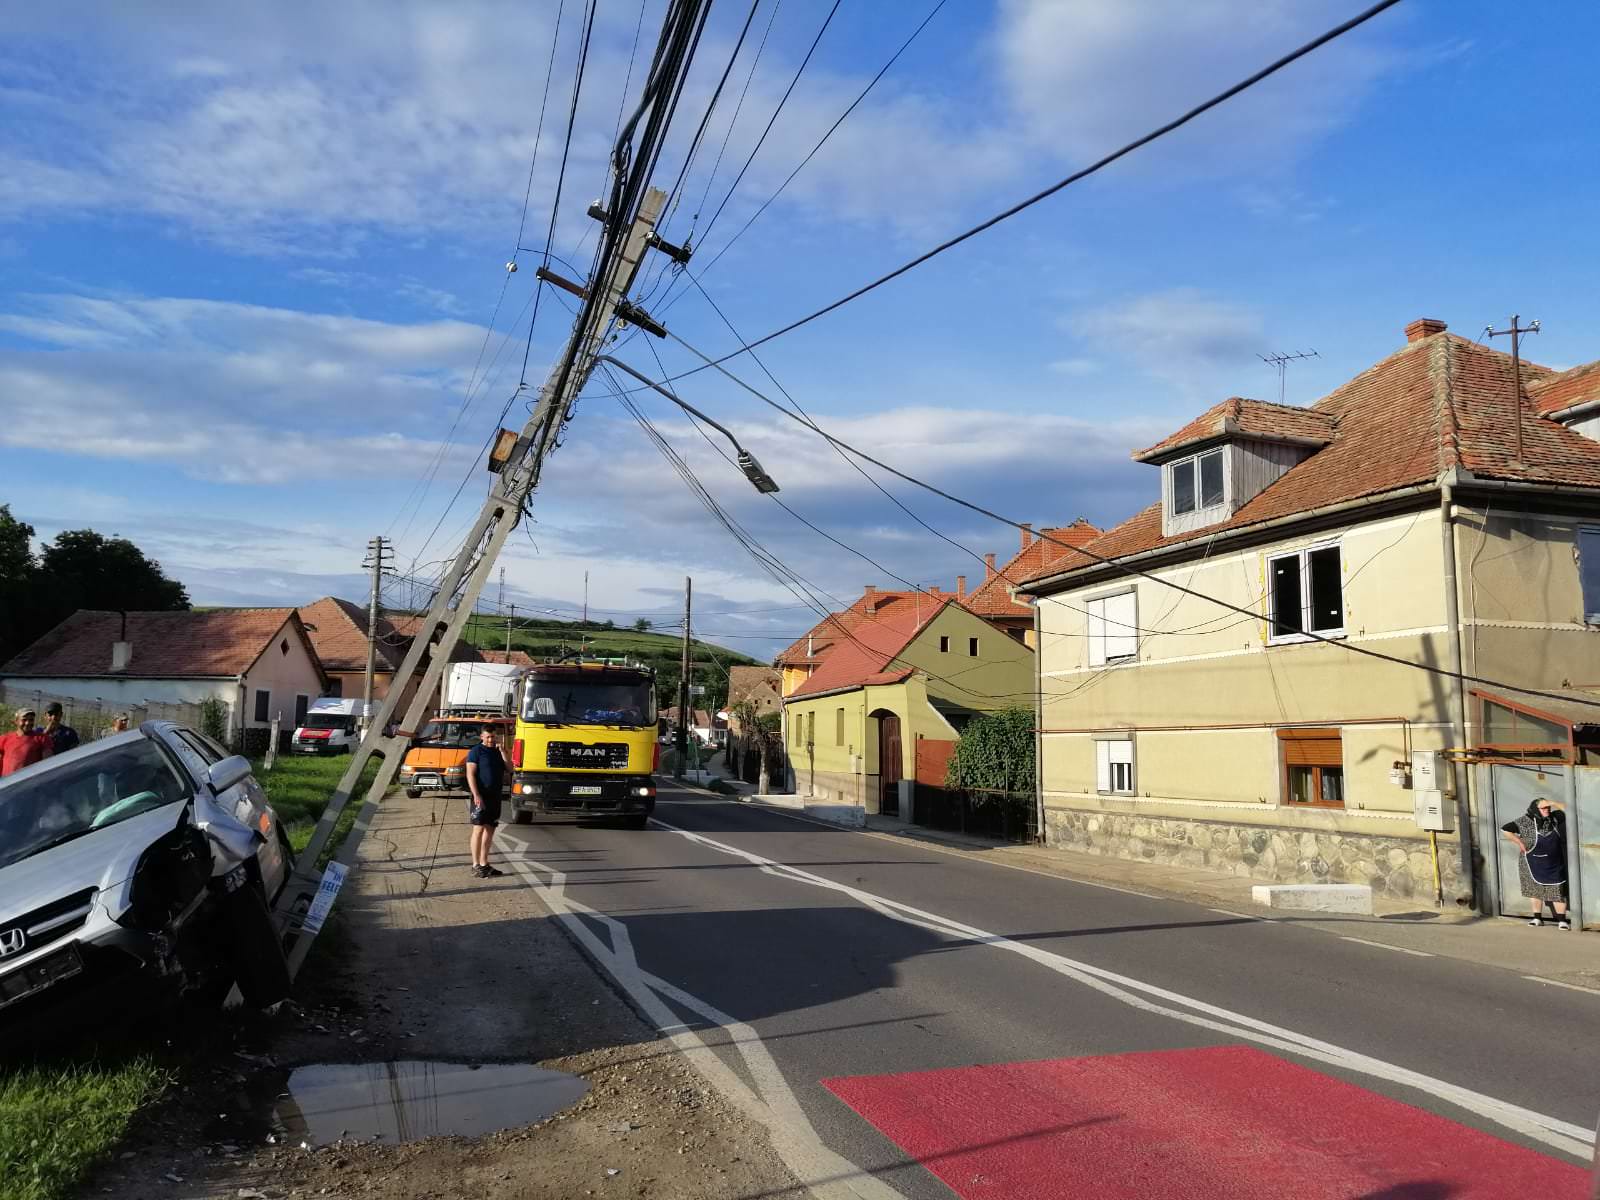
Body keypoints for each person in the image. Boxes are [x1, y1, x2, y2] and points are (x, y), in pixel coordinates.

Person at [1501, 796, 1571, 930]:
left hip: (1553, 862)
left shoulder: (1555, 818)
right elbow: (1505, 829)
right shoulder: (1524, 821)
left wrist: (1554, 802)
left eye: (1548, 807)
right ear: (1535, 809)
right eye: (1544, 808)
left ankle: (1562, 921)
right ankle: (1537, 918)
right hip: (1531, 861)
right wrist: (1519, 842)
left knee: (1557, 891)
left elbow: (1571, 811)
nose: (1547, 810)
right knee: (1535, 891)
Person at [464, 725, 507, 879]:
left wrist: (503, 751)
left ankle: (484, 863)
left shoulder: (497, 752)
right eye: (488, 737)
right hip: (481, 796)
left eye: (493, 736)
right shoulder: (476, 751)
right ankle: (475, 865)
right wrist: (476, 794)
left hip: (495, 796)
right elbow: (470, 774)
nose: (491, 740)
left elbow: (510, 768)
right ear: (482, 736)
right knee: (478, 828)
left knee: (490, 829)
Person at [0, 708, 54, 777]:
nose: (28, 723)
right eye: (24, 720)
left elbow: (48, 763)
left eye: (31, 720)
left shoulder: (42, 738)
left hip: (28, 783)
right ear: (16, 721)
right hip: (7, 783)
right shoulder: (5, 738)